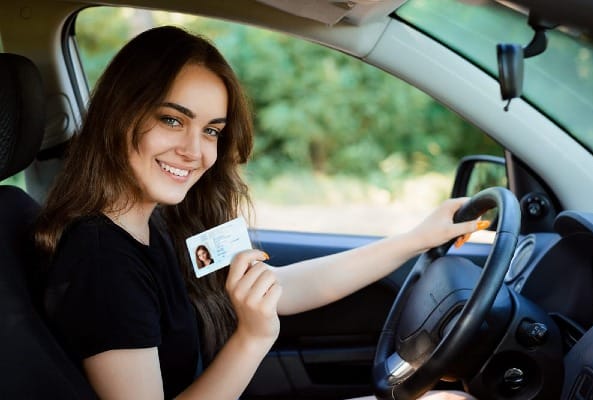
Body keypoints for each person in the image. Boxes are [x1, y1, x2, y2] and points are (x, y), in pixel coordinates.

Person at [35, 26, 483, 400]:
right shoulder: (101, 261)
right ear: (119, 115)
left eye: (211, 130)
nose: (194, 150)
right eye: (172, 119)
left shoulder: (160, 221)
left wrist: (414, 239)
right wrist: (252, 338)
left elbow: (278, 289)